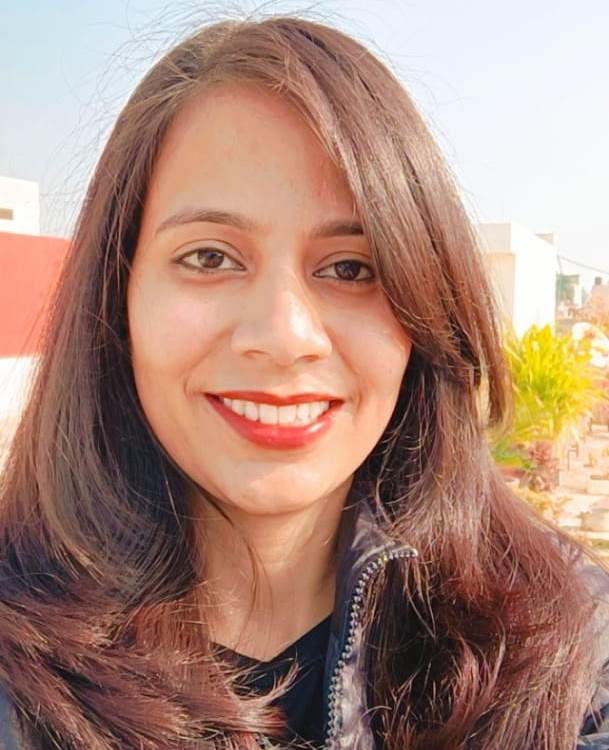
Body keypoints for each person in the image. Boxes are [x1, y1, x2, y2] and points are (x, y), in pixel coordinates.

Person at [0, 14, 608, 750]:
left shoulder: (567, 648)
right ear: (117, 292)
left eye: (350, 268)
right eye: (210, 257)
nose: (285, 336)